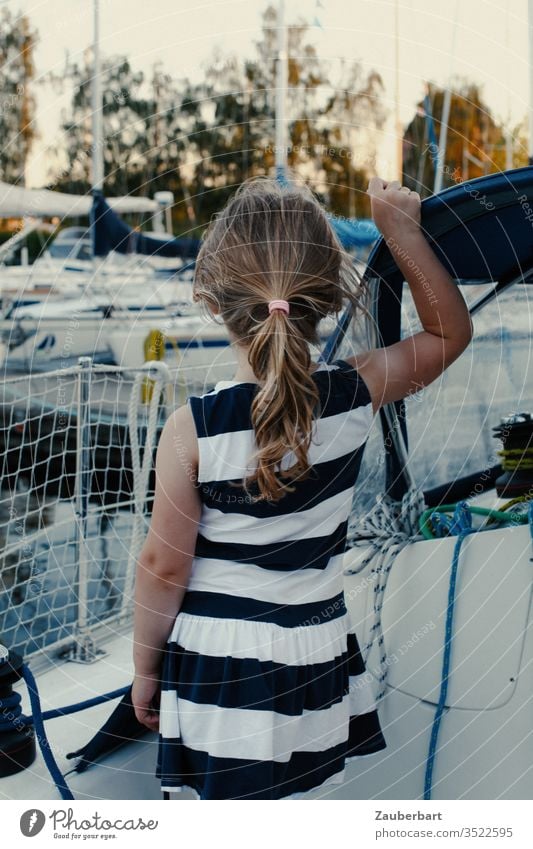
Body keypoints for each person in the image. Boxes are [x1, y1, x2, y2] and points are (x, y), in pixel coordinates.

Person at [131, 175, 473, 800]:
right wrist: (401, 235)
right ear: (327, 297)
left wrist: (144, 670)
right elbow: (450, 334)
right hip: (314, 652)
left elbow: (161, 569)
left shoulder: (191, 433)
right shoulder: (356, 392)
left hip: (220, 667)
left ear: (211, 298)